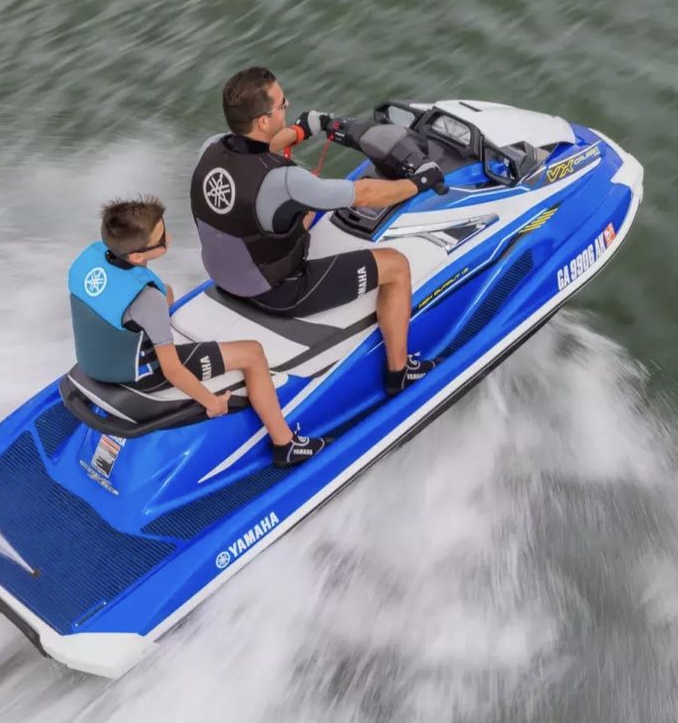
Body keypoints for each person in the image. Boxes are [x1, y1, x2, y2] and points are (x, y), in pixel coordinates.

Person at [190, 66, 446, 395]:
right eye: (282, 104)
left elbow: (252, 153)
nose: (287, 107)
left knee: (302, 211)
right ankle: (399, 372)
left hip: (223, 275)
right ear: (263, 121)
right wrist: (417, 182)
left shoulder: (210, 149)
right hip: (276, 293)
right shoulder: (286, 181)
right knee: (395, 266)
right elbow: (364, 194)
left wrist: (299, 131)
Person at [67, 196, 327, 467]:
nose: (168, 237)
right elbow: (172, 370)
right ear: (137, 256)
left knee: (166, 291)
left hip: (95, 363)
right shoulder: (147, 300)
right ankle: (285, 444)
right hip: (144, 375)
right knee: (252, 353)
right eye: (161, 237)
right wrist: (212, 403)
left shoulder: (92, 258)